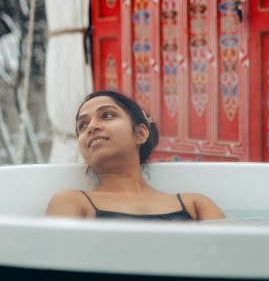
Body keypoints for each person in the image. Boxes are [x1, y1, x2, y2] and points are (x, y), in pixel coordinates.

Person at [46, 90, 225, 221]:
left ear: (140, 134)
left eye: (107, 115)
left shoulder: (195, 205)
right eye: (82, 126)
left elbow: (225, 261)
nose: (91, 126)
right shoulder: (71, 202)